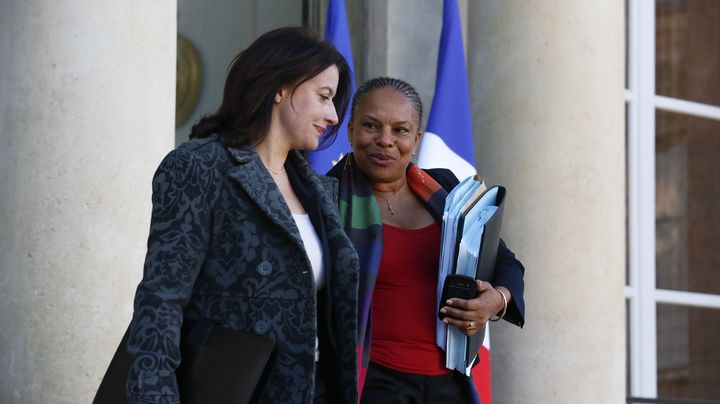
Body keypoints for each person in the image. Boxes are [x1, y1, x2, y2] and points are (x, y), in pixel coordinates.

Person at [125, 27, 359, 404]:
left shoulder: (318, 191)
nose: (333, 115)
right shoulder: (200, 166)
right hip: (231, 390)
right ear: (281, 88)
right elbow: (162, 299)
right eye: (324, 96)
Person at [327, 77, 526, 404]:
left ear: (417, 138)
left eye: (400, 130)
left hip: (451, 382)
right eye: (371, 126)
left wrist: (498, 300)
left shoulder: (446, 190)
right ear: (350, 131)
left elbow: (505, 261)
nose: (385, 140)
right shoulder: (327, 197)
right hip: (371, 383)